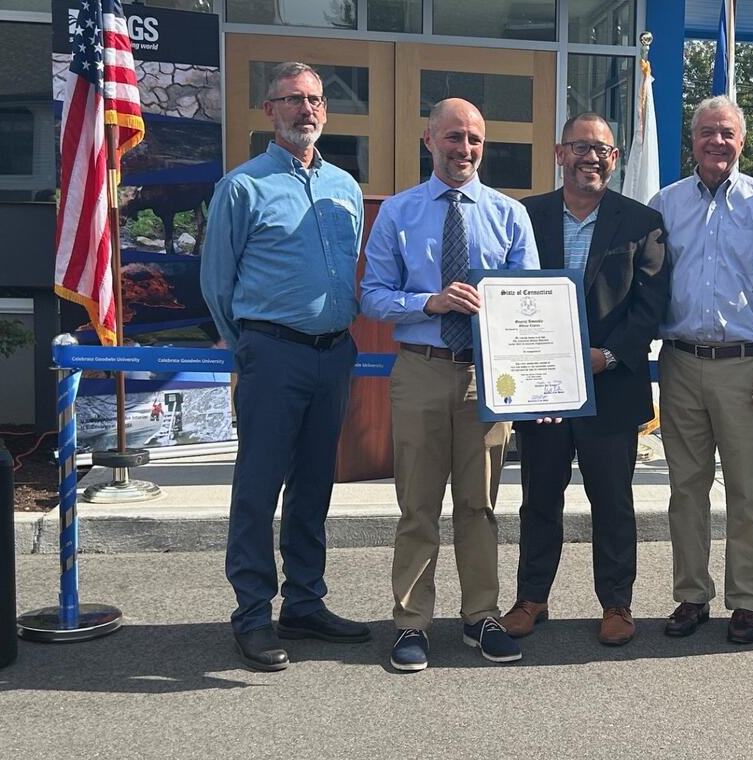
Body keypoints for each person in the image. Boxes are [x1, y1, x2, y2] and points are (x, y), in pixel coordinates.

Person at [201, 61, 369, 672]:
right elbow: (217, 282)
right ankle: (252, 614)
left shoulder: (345, 187)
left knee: (314, 484)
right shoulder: (242, 187)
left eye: (316, 99)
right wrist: (247, 345)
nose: (307, 109)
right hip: (272, 354)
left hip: (333, 354)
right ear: (269, 109)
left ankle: (304, 602)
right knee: (259, 486)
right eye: (294, 99)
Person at [361, 97, 538, 671]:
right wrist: (429, 302)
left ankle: (480, 616)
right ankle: (411, 623)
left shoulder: (510, 215)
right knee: (417, 505)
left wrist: (538, 381)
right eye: (453, 137)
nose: (465, 149)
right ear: (428, 140)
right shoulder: (398, 212)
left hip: (487, 377)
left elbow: (532, 304)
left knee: (479, 506)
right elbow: (372, 296)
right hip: (421, 369)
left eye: (474, 139)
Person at [500, 113, 669, 647]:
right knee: (539, 499)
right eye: (579, 147)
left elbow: (651, 305)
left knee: (612, 502)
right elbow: (507, 293)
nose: (590, 157)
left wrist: (609, 355)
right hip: (540, 387)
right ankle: (531, 598)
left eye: (602, 150)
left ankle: (616, 603)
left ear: (614, 159)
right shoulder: (525, 216)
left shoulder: (642, 221)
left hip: (611, 385)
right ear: (559, 153)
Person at [648, 96, 753, 645]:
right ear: (693, 140)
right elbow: (648, 282)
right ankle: (691, 596)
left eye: (727, 133)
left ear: (742, 141)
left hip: (745, 367)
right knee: (686, 489)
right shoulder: (664, 204)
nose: (717, 141)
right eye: (707, 132)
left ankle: (747, 601)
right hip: (680, 362)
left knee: (747, 490)